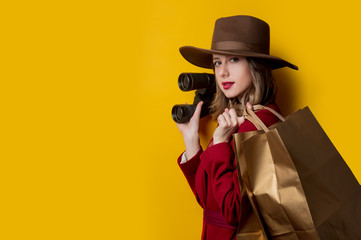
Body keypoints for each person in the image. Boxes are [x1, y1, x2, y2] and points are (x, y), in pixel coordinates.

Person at [176, 15, 298, 240]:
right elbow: (208, 201)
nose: (222, 73)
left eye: (233, 60)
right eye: (217, 62)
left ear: (256, 65)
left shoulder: (259, 124)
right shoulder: (236, 119)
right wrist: (191, 140)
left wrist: (221, 142)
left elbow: (232, 212)